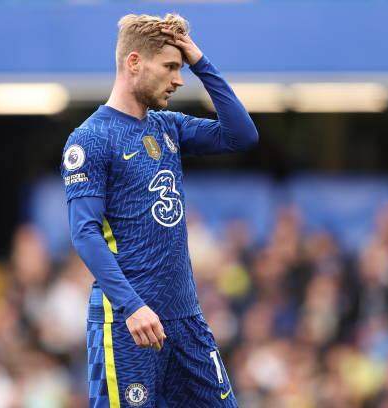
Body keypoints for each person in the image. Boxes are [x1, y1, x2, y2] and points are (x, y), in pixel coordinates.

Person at [61, 13, 257, 407]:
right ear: (134, 62)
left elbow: (242, 135)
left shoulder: (167, 126)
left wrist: (200, 61)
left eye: (182, 68)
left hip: (186, 318)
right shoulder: (91, 139)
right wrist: (132, 306)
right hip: (129, 322)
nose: (179, 79)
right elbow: (85, 234)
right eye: (170, 67)